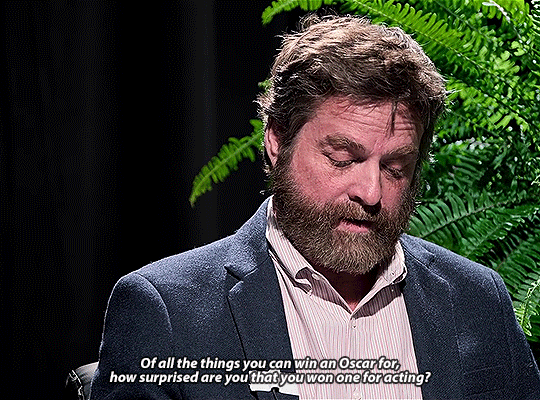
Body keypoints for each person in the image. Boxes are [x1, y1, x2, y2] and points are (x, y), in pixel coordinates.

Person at [90, 14, 540, 400]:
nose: (371, 193)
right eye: (342, 158)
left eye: (395, 168)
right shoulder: (167, 313)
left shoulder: (478, 300)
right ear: (277, 141)